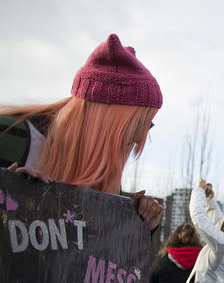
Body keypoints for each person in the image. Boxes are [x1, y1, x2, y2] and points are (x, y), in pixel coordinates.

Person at [1, 33, 163, 233]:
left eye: (148, 124)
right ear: (107, 121)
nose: (139, 139)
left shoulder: (102, 176)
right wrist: (6, 192)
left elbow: (90, 259)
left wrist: (137, 223)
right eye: (139, 124)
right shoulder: (9, 136)